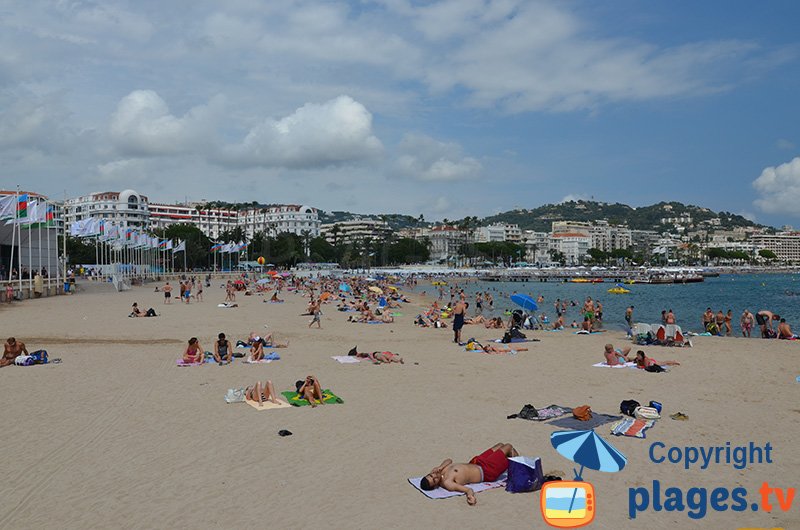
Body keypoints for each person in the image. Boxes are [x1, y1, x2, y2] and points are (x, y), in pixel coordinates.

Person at [419, 443, 519, 505]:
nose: (435, 476)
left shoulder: (438, 471)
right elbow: (468, 490)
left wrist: (440, 467)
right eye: (434, 480)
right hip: (486, 471)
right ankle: (519, 471)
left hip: (476, 462)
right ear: (435, 485)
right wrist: (471, 497)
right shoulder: (447, 482)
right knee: (508, 447)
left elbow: (449, 460)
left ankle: (515, 459)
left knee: (500, 445)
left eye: (431, 475)